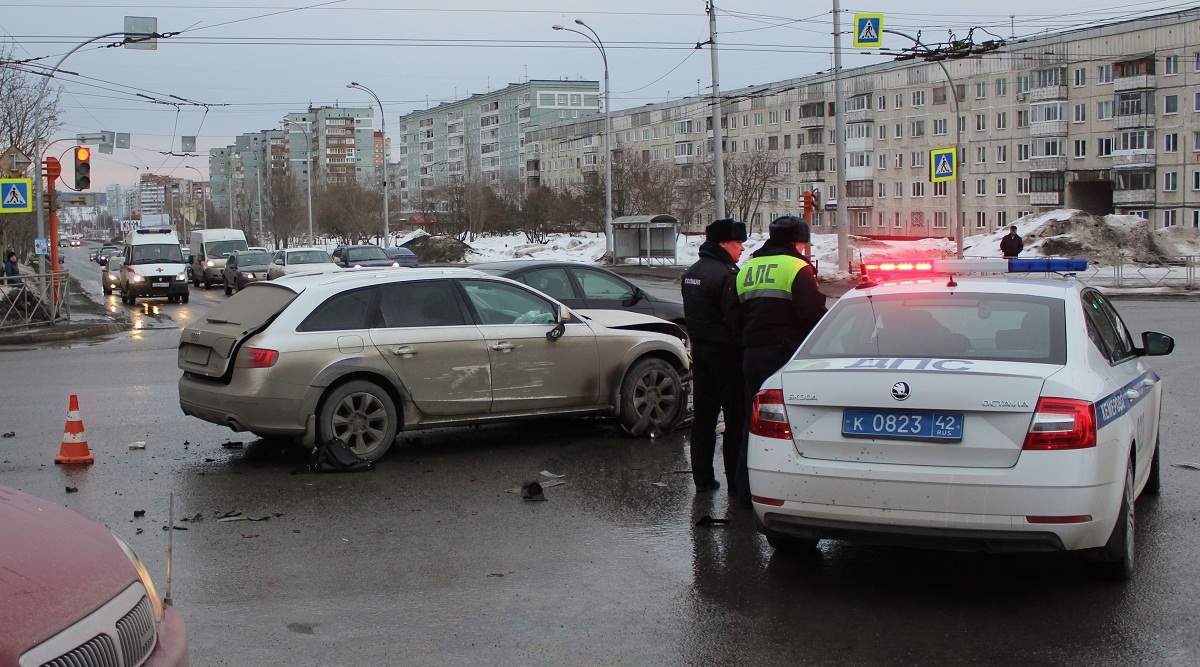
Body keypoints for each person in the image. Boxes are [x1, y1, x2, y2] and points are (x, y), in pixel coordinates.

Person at [734, 216, 827, 507]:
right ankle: (785, 491)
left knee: (752, 423)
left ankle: (744, 490)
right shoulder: (797, 267)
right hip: (784, 355)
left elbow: (734, 316)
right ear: (795, 241)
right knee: (788, 427)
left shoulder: (748, 268)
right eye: (802, 243)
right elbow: (812, 315)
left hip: (751, 354)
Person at [681, 218, 747, 494]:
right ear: (723, 243)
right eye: (737, 243)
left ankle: (704, 480)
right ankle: (735, 482)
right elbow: (734, 320)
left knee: (704, 419)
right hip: (726, 355)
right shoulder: (727, 274)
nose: (742, 248)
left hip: (701, 352)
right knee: (735, 419)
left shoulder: (693, 272)